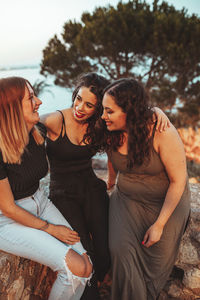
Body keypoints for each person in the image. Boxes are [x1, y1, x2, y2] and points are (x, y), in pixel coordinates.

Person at [40, 73, 170, 300]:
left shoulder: (101, 125)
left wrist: (157, 111)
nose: (80, 107)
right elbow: (23, 124)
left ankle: (91, 288)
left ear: (99, 107)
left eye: (89, 105)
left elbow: (118, 140)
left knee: (104, 254)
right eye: (78, 99)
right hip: (63, 196)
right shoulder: (55, 120)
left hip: (92, 190)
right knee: (84, 254)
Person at [0, 77, 93, 300]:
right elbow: (9, 208)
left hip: (40, 201)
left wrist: (154, 115)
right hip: (7, 220)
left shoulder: (36, 130)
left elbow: (73, 118)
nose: (39, 101)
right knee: (74, 268)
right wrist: (50, 229)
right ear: (12, 109)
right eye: (31, 98)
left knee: (86, 265)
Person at [101, 78, 190, 300]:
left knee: (156, 259)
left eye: (109, 111)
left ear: (129, 112)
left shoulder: (161, 131)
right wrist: (111, 183)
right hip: (126, 200)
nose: (103, 116)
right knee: (120, 250)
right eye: (103, 109)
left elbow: (179, 180)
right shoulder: (110, 129)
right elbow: (113, 161)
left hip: (165, 202)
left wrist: (159, 225)